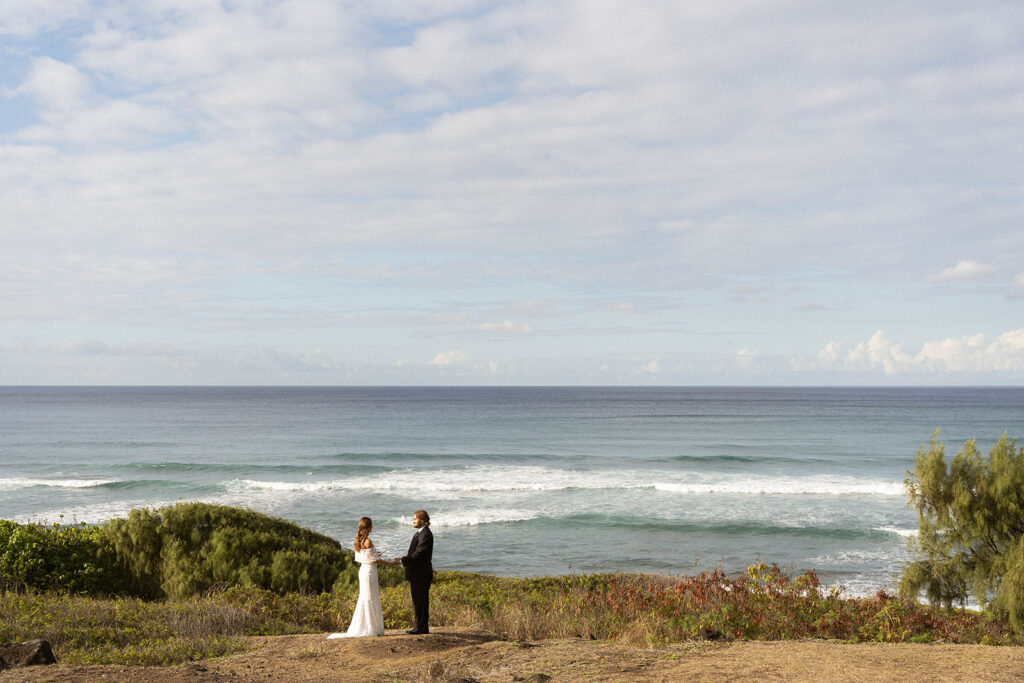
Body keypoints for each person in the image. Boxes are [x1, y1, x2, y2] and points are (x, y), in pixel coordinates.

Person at [327, 517, 399, 639]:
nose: (373, 528)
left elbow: (367, 556)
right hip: (370, 572)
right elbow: (375, 560)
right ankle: (371, 628)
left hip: (364, 570)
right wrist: (392, 563)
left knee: (366, 597)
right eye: (371, 526)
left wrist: (376, 554)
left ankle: (367, 626)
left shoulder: (359, 540)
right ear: (368, 527)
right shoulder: (368, 541)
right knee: (371, 597)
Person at [400, 509, 433, 634]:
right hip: (417, 574)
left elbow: (418, 554)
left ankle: (422, 628)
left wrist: (403, 561)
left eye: (415, 518)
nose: (413, 520)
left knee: (421, 602)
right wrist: (404, 559)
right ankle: (419, 626)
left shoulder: (425, 534)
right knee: (417, 602)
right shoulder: (420, 533)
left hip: (421, 574)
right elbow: (415, 553)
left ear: (423, 521)